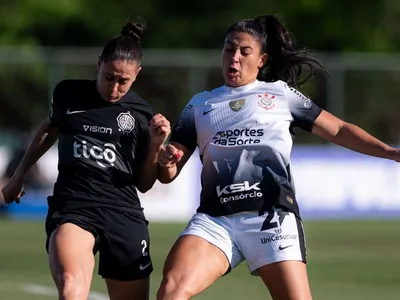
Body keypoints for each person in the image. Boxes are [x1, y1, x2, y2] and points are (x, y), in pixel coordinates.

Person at [155, 15, 400, 300]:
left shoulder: (281, 95)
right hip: (216, 220)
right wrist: (165, 161)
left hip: (272, 218)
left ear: (262, 59)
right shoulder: (199, 104)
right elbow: (168, 172)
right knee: (171, 292)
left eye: (245, 52)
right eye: (228, 49)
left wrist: (390, 152)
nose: (234, 58)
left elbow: (340, 129)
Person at [2, 18, 170, 300]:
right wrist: (18, 175)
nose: (114, 87)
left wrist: (155, 145)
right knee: (71, 287)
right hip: (74, 207)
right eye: (109, 77)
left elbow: (144, 184)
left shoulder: (142, 114)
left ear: (137, 74)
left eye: (123, 81)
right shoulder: (69, 94)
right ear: (98, 64)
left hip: (123, 213)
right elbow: (49, 129)